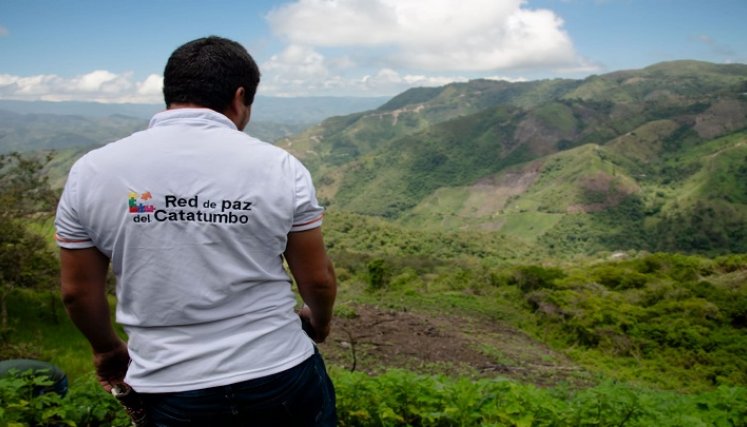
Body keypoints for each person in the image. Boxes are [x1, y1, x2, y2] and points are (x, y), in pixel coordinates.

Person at [55, 36, 338, 426]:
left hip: (169, 386)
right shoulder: (280, 166)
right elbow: (318, 280)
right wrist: (318, 321)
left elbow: (76, 293)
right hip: (278, 371)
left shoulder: (91, 171)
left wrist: (106, 349)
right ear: (241, 97)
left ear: (170, 91)